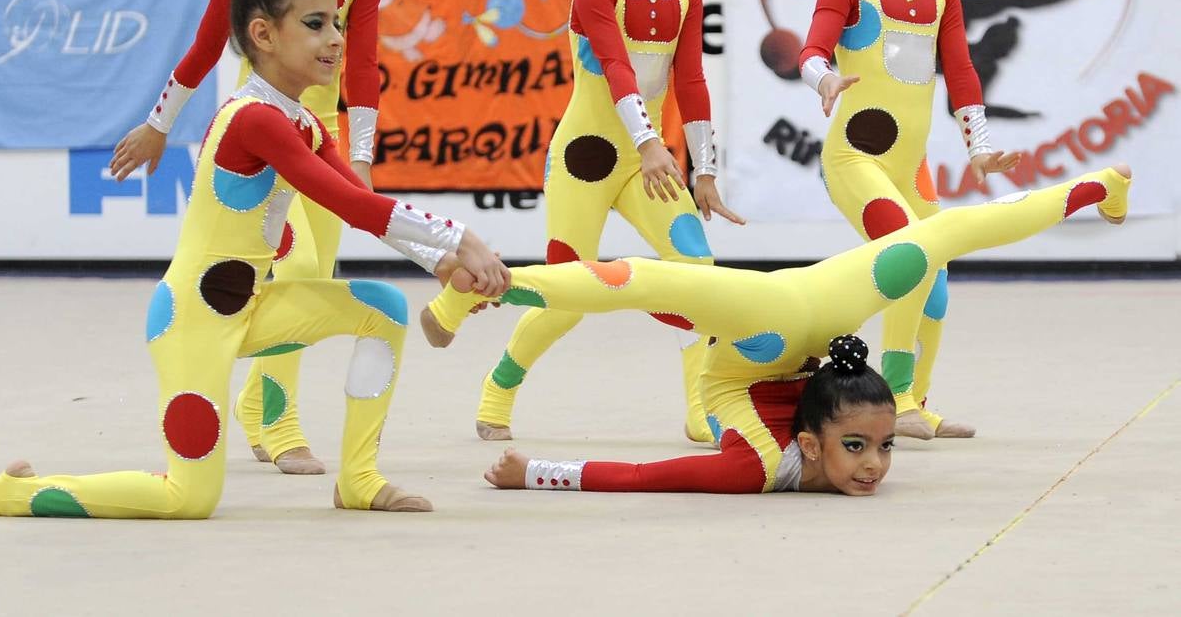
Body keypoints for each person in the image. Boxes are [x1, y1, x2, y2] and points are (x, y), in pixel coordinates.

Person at [0, 0, 511, 520]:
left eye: (337, 23)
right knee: (188, 498)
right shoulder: (255, 120)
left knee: (384, 308)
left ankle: (359, 480)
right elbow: (348, 205)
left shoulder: (301, 123)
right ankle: (14, 493)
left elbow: (358, 199)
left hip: (254, 306)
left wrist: (441, 262)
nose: (337, 39)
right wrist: (462, 240)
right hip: (192, 321)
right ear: (263, 35)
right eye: (316, 24)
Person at [421, 165, 1133, 493]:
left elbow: (644, 474)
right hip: (794, 315)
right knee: (638, 283)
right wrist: (535, 474)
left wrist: (534, 473)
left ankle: (1099, 187)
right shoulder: (772, 458)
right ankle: (1095, 187)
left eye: (879, 447)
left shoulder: (776, 453)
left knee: (641, 284)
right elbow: (641, 476)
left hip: (800, 316)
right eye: (869, 446)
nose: (876, 466)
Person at [110, 0, 384, 477]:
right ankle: (283, 424)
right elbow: (206, 48)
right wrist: (158, 125)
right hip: (260, 134)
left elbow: (363, 67)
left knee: (313, 283)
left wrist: (361, 158)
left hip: (323, 136)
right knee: (292, 269)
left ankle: (259, 406)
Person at [467, 0, 744, 446]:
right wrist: (649, 143)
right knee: (568, 295)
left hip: (648, 161)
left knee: (700, 272)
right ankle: (499, 383)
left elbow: (691, 81)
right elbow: (617, 68)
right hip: (586, 160)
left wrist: (703, 170)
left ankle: (701, 407)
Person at [799, 0, 1023, 439]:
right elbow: (812, 50)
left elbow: (963, 72)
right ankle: (895, 399)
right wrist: (824, 78)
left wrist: (979, 147)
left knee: (936, 283)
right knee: (909, 257)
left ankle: (917, 402)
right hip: (855, 160)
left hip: (909, 167)